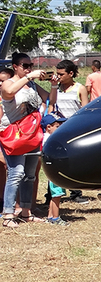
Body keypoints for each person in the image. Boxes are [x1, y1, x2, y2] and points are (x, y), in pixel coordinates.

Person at [1, 53, 52, 228]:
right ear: (15, 66)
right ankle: (8, 214)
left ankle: (25, 211)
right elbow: (8, 93)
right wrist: (29, 77)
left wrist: (53, 85)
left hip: (32, 134)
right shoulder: (9, 83)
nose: (29, 68)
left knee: (30, 175)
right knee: (16, 173)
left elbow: (49, 99)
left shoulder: (31, 84)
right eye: (25, 65)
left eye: (30, 65)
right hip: (15, 134)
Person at [49, 59, 90, 205]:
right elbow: (51, 105)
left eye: (61, 74)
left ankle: (75, 192)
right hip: (58, 128)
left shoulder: (80, 88)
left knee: (73, 160)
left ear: (71, 74)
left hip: (73, 128)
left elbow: (85, 109)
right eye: (57, 74)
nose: (58, 77)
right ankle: (52, 192)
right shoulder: (56, 88)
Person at [41, 113, 69, 225]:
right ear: (48, 127)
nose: (60, 128)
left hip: (52, 172)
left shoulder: (48, 138)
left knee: (54, 196)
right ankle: (56, 218)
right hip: (54, 172)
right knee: (57, 195)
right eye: (57, 126)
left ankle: (50, 216)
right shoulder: (50, 140)